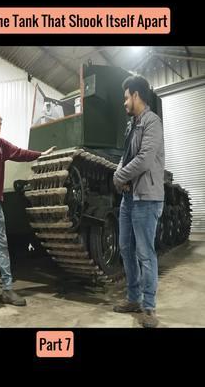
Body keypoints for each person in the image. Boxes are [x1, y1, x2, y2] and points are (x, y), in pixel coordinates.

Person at [0, 112, 56, 306]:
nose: (0, 126)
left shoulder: (2, 145)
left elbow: (20, 153)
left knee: (2, 245)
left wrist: (41, 154)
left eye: (1, 123)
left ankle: (7, 289)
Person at [112, 75, 165, 328]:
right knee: (126, 249)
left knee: (145, 253)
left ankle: (149, 306)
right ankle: (133, 298)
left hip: (147, 197)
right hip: (129, 197)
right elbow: (126, 155)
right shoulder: (131, 125)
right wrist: (120, 174)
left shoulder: (152, 122)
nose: (124, 102)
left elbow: (144, 159)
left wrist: (119, 175)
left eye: (126, 97)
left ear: (136, 95)